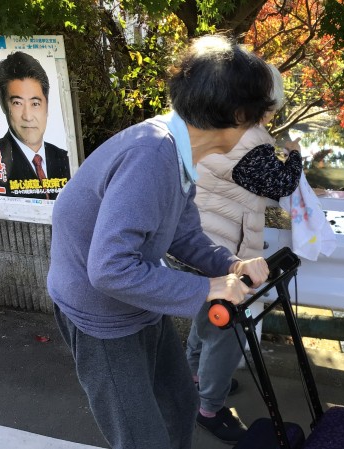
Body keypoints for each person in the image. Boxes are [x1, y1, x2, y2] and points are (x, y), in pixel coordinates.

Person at [46, 34, 274, 449]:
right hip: (100, 315)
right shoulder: (152, 154)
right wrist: (208, 287)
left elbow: (183, 235)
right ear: (240, 114)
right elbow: (109, 269)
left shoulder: (178, 150)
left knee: (179, 405)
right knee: (141, 438)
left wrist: (231, 265)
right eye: (257, 116)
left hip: (137, 300)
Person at [186, 64, 303, 444]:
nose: (271, 114)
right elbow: (280, 184)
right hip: (222, 249)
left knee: (207, 318)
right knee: (226, 328)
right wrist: (295, 156)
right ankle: (209, 408)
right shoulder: (248, 138)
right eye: (271, 107)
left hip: (197, 241)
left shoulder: (213, 123)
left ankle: (195, 380)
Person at [0, 51, 70, 200]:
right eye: (17, 103)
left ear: (47, 105)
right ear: (3, 104)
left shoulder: (66, 159)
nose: (27, 116)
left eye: (35, 103)